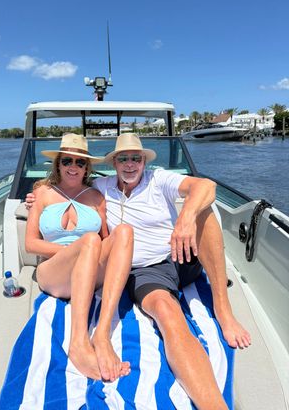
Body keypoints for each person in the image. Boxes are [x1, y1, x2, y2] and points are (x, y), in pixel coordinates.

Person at [27, 133, 251, 409]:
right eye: (123, 158)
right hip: (148, 271)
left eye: (136, 158)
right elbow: (64, 201)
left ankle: (223, 310)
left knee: (203, 210)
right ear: (114, 163)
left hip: (179, 254)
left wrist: (185, 218)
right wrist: (37, 198)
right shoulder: (98, 188)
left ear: (144, 161)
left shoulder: (156, 180)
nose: (130, 164)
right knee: (169, 314)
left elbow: (206, 185)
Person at [25, 133, 133, 382]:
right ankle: (79, 343)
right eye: (67, 161)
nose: (73, 167)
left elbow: (108, 242)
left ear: (87, 168)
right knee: (91, 241)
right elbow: (31, 244)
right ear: (58, 164)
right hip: (54, 273)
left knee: (124, 232)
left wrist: (91, 251)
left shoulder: (97, 198)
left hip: (89, 272)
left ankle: (102, 334)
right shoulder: (42, 193)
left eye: (80, 162)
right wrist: (82, 250)